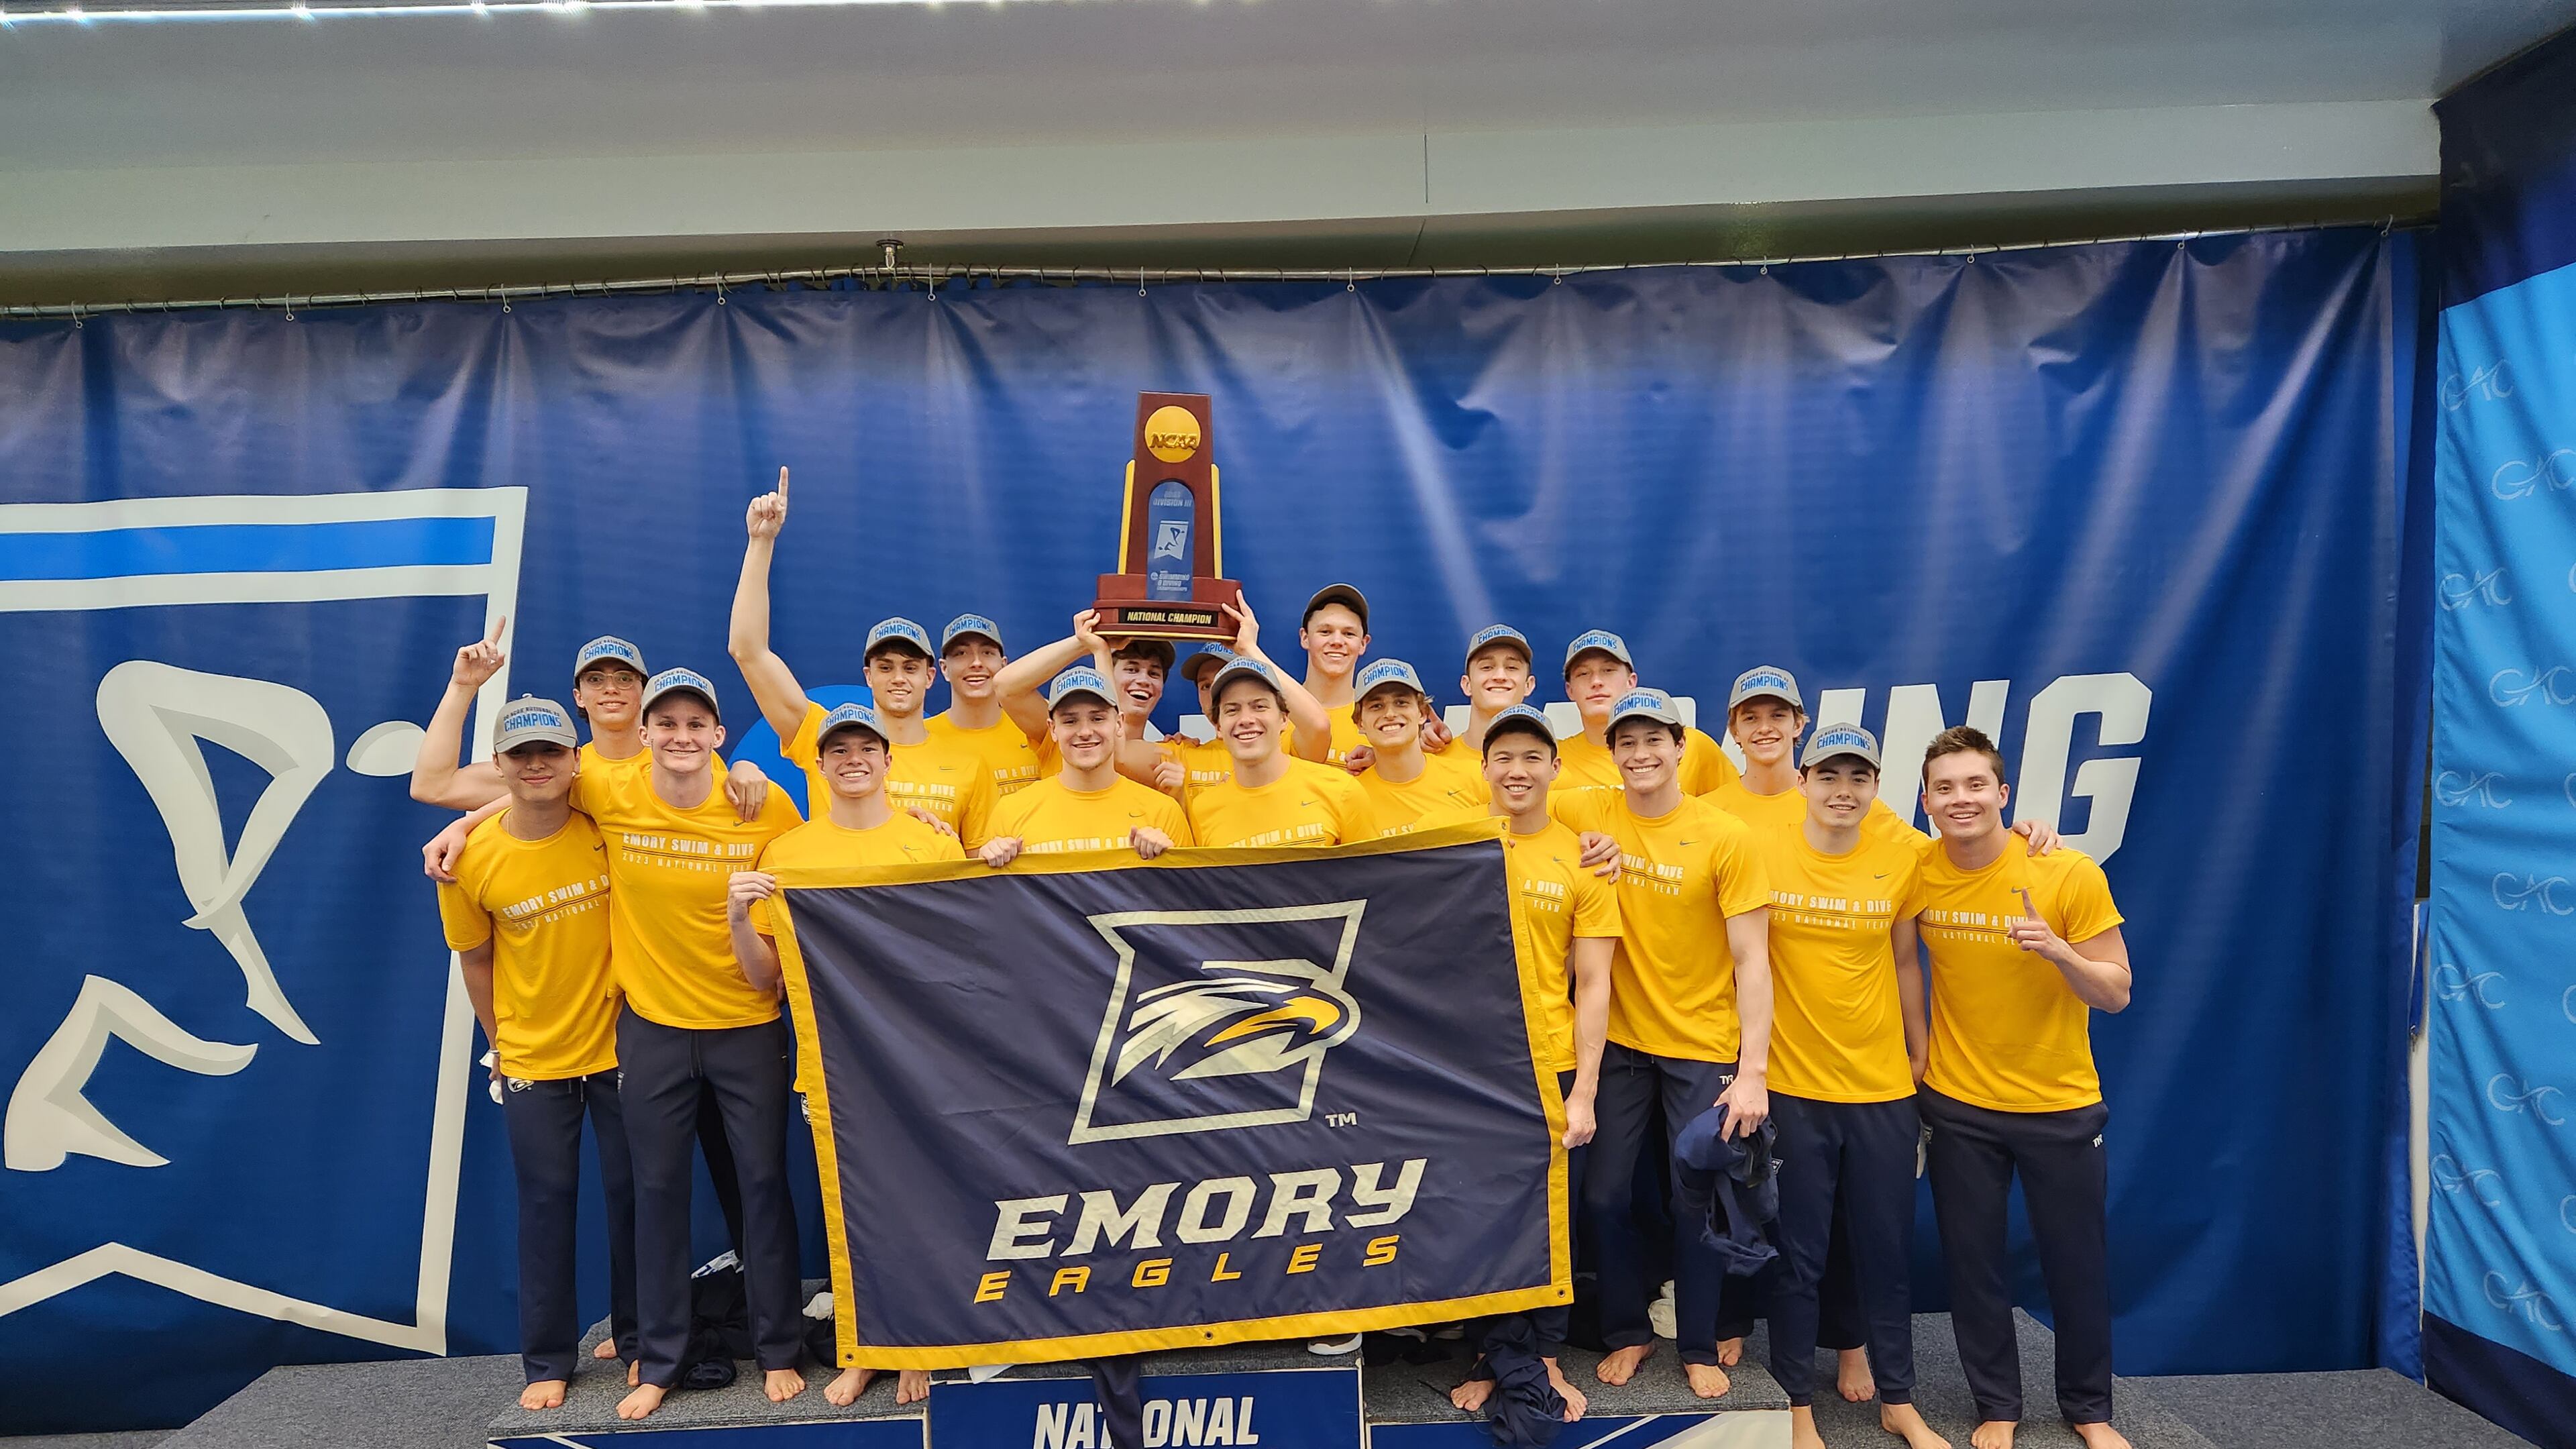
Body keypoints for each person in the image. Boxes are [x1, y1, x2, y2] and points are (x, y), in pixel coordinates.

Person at [413, 626, 767, 1362]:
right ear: (579, 698)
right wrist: (467, 806)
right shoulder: (580, 779)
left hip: (705, 1014)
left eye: (624, 678)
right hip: (630, 1033)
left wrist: (745, 768)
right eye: (597, 680)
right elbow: (443, 787)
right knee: (620, 1192)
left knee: (731, 1179)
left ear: (645, 696)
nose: (611, 689)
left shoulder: (679, 753)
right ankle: (627, 1340)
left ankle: (737, 1324)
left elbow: (734, 792)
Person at [542, 669, 806, 1419]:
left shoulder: (761, 802)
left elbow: (821, 857)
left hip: (747, 1025)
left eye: (697, 725)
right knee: (658, 1193)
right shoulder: (609, 787)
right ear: (644, 734)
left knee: (762, 1185)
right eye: (668, 724)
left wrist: (751, 770)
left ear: (718, 735)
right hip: (654, 1029)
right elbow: (524, 792)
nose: (681, 736)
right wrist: (461, 829)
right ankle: (660, 1360)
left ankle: (780, 1348)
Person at [726, 700, 964, 1411]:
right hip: (832, 1062)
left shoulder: (932, 845)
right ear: (819, 765)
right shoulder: (790, 853)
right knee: (852, 1211)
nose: (853, 760)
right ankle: (864, 1349)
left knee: (925, 1200)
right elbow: (764, 979)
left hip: (923, 1059)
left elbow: (963, 957)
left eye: (866, 748)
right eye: (838, 751)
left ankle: (921, 1343)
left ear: (890, 760)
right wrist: (737, 914)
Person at [1915, 726, 2133, 1449]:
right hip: (1958, 1105)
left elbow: (2116, 993)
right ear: (1925, 801)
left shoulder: (2066, 872)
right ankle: (1997, 1406)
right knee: (1973, 1267)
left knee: (2077, 1265)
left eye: (1976, 784)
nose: (1962, 799)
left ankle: (2089, 1410)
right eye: (1945, 788)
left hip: (2059, 1106)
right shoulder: (1915, 868)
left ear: (2003, 794)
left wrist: (2060, 952)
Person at [1553, 688, 1772, 1398]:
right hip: (1617, 1042)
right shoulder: (1585, 810)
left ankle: (1698, 1343)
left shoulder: (1724, 835)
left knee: (1695, 1200)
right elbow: (1501, 804)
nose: (1641, 754)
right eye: (1627, 742)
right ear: (1610, 752)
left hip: (1702, 1045)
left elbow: (1753, 960)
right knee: (1605, 1198)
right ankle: (1628, 1330)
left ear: (1682, 748)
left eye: (1654, 740)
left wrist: (1753, 1071)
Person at [1747, 723, 1947, 1449]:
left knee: (1886, 1251)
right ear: (1802, 781)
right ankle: (1796, 1403)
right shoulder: (1761, 852)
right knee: (1798, 1256)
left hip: (1881, 1091)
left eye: (1858, 778)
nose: (1843, 790)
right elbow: (1747, 964)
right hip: (1794, 1088)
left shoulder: (1902, 860)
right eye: (1829, 776)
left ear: (1876, 788)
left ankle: (1899, 1401)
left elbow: (1905, 963)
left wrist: (1918, 1054)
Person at [433, 697, 633, 1412]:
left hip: (622, 1047)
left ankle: (641, 1340)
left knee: (636, 1199)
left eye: (551, 751)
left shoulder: (607, 827)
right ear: (500, 765)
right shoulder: (468, 861)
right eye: (522, 754)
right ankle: (548, 1359)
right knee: (545, 1207)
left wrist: (460, 818)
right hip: (533, 1060)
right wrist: (502, 1046)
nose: (537, 764)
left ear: (576, 761)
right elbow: (476, 961)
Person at [1443, 703, 1617, 1425]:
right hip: (1470, 1067)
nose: (1517, 771)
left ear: (1555, 768)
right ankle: (1492, 1354)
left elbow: (1595, 983)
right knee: (1483, 1216)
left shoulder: (1583, 856)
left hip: (1552, 1061)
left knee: (1552, 1221)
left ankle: (1542, 1355)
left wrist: (1587, 1092)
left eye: (1532, 758)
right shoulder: (1451, 842)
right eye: (1504, 757)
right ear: (1483, 767)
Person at [729, 472, 996, 845]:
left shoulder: (969, 764)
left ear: (931, 676)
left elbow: (978, 867)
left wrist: (947, 847)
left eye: (910, 667)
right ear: (868, 676)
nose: (898, 678)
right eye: (885, 667)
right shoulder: (822, 737)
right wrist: (761, 542)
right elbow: (748, 651)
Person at [977, 666, 1194, 864]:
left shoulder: (1163, 813)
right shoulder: (1010, 812)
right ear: (1053, 729)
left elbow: (1189, 892)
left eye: (1097, 719)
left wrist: (1168, 860)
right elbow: (992, 893)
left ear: (1118, 723)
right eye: (1070, 721)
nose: (1085, 732)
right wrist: (991, 862)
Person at [1186, 655, 1382, 851]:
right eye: (1232, 710)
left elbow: (1372, 869)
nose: (1246, 719)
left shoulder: (1341, 790)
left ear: (1284, 719)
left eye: (1259, 707)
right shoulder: (1203, 810)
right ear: (1219, 727)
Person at [1555, 631, 1739, 796]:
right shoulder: (1552, 759)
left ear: (1631, 682)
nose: (1596, 681)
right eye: (1583, 673)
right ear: (1570, 690)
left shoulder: (1692, 745)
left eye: (1608, 670)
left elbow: (1734, 806)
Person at [1348, 658, 1489, 834]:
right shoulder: (1349, 798)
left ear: (1422, 713)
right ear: (1360, 723)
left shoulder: (1476, 778)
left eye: (1401, 703)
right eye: (1377, 706)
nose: (1390, 714)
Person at [925, 612, 1045, 798]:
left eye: (987, 653)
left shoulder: (1035, 728)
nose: (976, 663)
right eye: (961, 653)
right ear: (944, 668)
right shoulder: (922, 736)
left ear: (1004, 665)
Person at [1285, 583, 1373, 765]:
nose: (1337, 641)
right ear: (1305, 638)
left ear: (1363, 644)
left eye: (1349, 634)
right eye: (1325, 632)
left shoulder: (1379, 719)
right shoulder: (1271, 712)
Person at [1456, 624, 1542, 749]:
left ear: (1528, 685)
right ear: (1467, 685)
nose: (1500, 676)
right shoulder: (1432, 758)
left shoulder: (1557, 757)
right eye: (1487, 667)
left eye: (1512, 667)